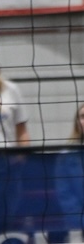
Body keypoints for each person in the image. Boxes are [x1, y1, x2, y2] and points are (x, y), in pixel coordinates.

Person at [49, 103, 84, 243]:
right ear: (77, 123)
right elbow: (65, 196)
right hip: (77, 225)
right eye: (82, 116)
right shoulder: (66, 156)